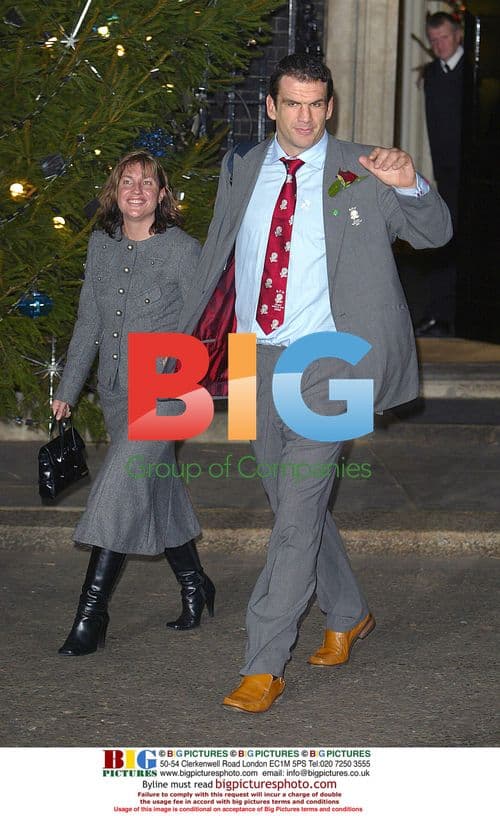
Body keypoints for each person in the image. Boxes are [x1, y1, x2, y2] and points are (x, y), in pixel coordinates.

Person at [176, 53, 452, 712]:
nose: (305, 118)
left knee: (296, 516)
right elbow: (218, 253)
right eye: (292, 104)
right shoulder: (241, 166)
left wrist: (413, 183)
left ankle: (264, 661)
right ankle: (349, 609)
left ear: (330, 106)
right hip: (253, 356)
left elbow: (436, 232)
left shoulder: (363, 167)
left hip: (335, 358)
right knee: (292, 504)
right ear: (271, 106)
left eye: (316, 105)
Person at [52, 150, 215, 656]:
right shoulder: (100, 246)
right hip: (117, 393)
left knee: (119, 488)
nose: (138, 189)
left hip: (166, 396)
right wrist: (67, 390)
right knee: (155, 490)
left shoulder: (183, 250)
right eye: (128, 181)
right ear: (115, 193)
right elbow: (89, 324)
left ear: (162, 194)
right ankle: (196, 584)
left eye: (148, 182)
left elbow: (205, 326)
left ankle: (91, 615)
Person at [416, 11, 464, 336]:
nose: (438, 45)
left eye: (444, 38)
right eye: (433, 41)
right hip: (445, 175)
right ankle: (439, 315)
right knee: (443, 241)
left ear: (458, 34)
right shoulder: (432, 74)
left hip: (473, 176)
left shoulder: (474, 71)